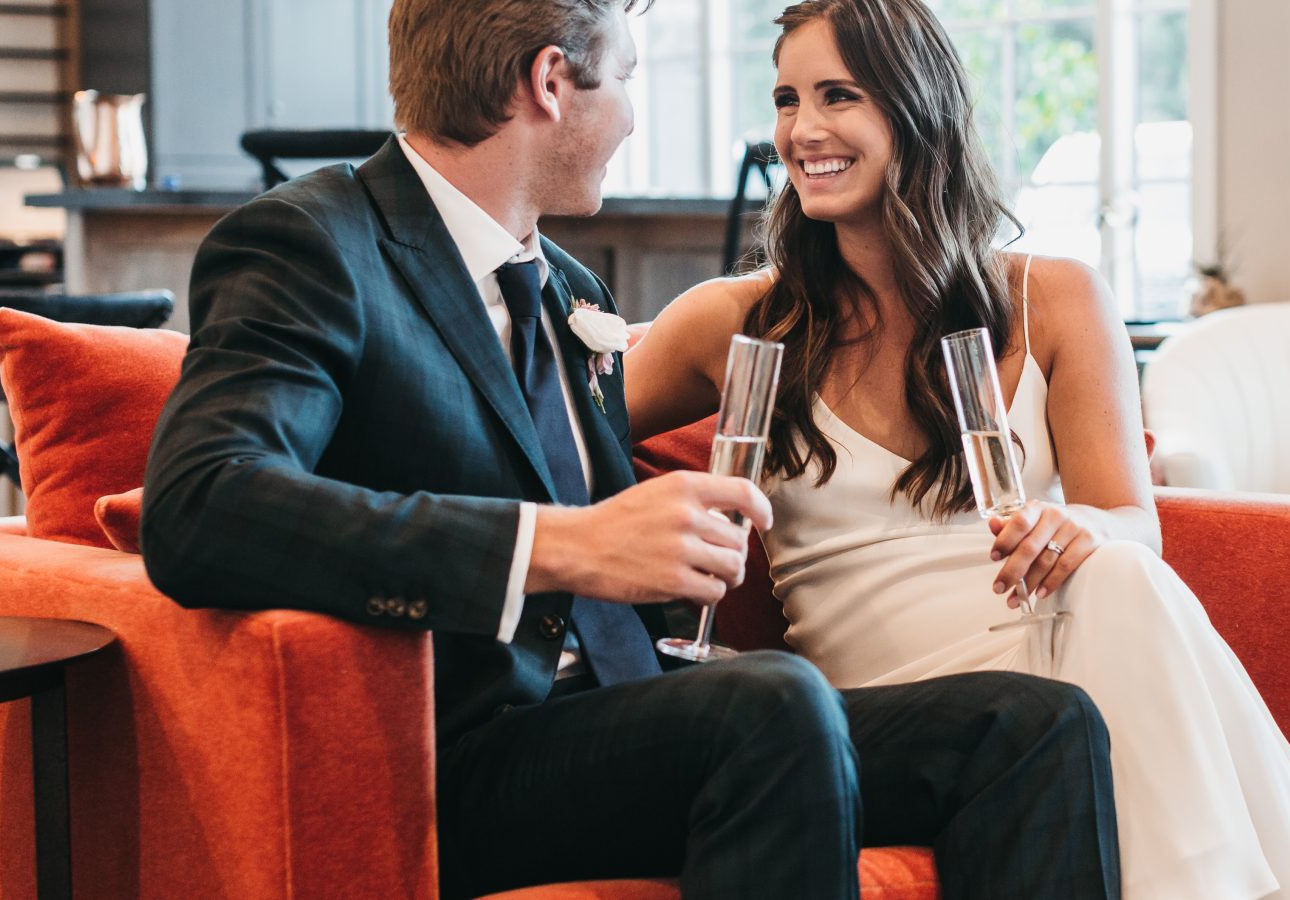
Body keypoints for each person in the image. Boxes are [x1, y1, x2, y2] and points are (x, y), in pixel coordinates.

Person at [139, 1, 1121, 897]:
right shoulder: (312, 247)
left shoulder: (568, 290)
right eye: (630, 78)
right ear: (551, 82)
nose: (636, 120)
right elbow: (203, 504)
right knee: (770, 703)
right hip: (462, 749)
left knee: (1035, 725)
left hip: (638, 714)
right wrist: (556, 545)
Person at [626, 1, 1290, 897]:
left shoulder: (1058, 299)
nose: (803, 131)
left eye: (838, 96)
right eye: (786, 99)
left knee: (1116, 572)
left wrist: (1080, 527)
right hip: (894, 714)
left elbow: (1132, 525)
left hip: (1057, 649)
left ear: (917, 109)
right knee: (1119, 592)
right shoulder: (736, 322)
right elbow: (546, 433)